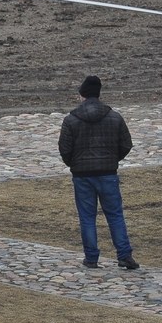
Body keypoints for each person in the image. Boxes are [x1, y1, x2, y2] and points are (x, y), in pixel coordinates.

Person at [57, 75, 139, 270]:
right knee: (115, 215)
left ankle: (91, 257)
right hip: (108, 174)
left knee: (87, 217)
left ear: (82, 95)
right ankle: (124, 255)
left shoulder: (70, 120)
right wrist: (111, 160)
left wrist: (75, 164)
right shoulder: (115, 117)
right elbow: (126, 144)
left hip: (82, 176)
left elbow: (64, 150)